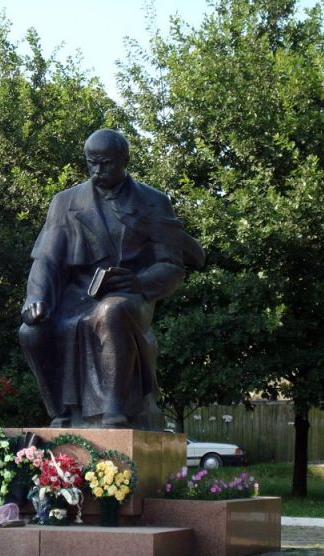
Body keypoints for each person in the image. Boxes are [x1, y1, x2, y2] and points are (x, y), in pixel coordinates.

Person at [19, 129, 204, 428]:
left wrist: (140, 283)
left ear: (124, 160)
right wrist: (36, 298)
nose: (97, 170)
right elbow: (47, 261)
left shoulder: (153, 202)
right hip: (76, 296)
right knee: (32, 332)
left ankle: (113, 409)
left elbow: (172, 265)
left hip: (131, 293)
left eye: (105, 163)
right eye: (91, 163)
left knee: (110, 311)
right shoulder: (65, 202)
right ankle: (61, 412)